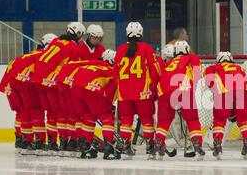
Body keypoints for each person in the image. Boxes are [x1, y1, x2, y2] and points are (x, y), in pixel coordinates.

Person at [0, 33, 57, 154]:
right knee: (36, 110)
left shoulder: (28, 55)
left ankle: (23, 141)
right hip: (25, 83)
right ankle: (38, 142)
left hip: (12, 83)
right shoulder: (43, 56)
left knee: (23, 111)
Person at [32, 22, 85, 154]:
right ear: (78, 34)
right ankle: (66, 142)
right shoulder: (74, 47)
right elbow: (74, 68)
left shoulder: (56, 41)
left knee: (51, 113)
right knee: (65, 113)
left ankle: (51, 142)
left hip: (38, 80)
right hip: (51, 80)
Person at [113, 22, 161, 160]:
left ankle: (126, 144)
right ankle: (150, 145)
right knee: (146, 119)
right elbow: (155, 72)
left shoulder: (120, 49)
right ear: (141, 33)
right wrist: (154, 87)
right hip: (143, 92)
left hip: (124, 93)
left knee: (126, 120)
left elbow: (115, 74)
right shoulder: (147, 48)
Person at [155, 40, 205, 160]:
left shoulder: (169, 62)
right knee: (192, 119)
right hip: (184, 88)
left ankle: (159, 143)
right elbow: (198, 76)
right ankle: (197, 144)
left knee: (163, 121)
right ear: (187, 50)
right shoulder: (192, 58)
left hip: (164, 91)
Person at [204, 51, 247, 160]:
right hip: (243, 93)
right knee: (244, 120)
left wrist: (213, 89)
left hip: (224, 93)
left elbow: (208, 79)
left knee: (219, 120)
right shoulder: (239, 67)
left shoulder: (215, 67)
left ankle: (217, 145)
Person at [71, 50, 117, 159]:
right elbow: (111, 91)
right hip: (90, 89)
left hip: (74, 88)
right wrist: (109, 106)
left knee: (88, 117)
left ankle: (86, 147)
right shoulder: (111, 70)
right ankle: (109, 147)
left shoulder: (91, 64)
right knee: (107, 117)